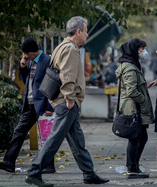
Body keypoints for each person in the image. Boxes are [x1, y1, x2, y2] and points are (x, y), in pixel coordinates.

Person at [25, 16, 109, 187]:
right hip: (67, 102)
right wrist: (70, 99)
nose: (86, 35)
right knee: (55, 138)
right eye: (85, 32)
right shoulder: (71, 49)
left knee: (77, 141)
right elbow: (67, 76)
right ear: (78, 31)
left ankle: (89, 173)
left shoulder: (61, 46)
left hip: (64, 101)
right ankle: (34, 172)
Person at [0, 38, 55, 174]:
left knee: (46, 136)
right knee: (19, 132)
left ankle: (49, 166)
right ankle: (9, 162)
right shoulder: (30, 61)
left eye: (26, 53)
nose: (24, 56)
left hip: (43, 104)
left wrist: (50, 107)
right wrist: (22, 68)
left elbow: (53, 82)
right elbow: (27, 79)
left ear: (31, 51)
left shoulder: (47, 60)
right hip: (29, 103)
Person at [115, 38, 154, 179]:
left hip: (135, 108)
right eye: (140, 49)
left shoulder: (133, 65)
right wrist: (143, 99)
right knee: (136, 137)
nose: (143, 52)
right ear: (133, 50)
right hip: (133, 109)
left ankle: (134, 166)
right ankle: (132, 168)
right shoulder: (130, 68)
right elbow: (131, 90)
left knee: (141, 137)